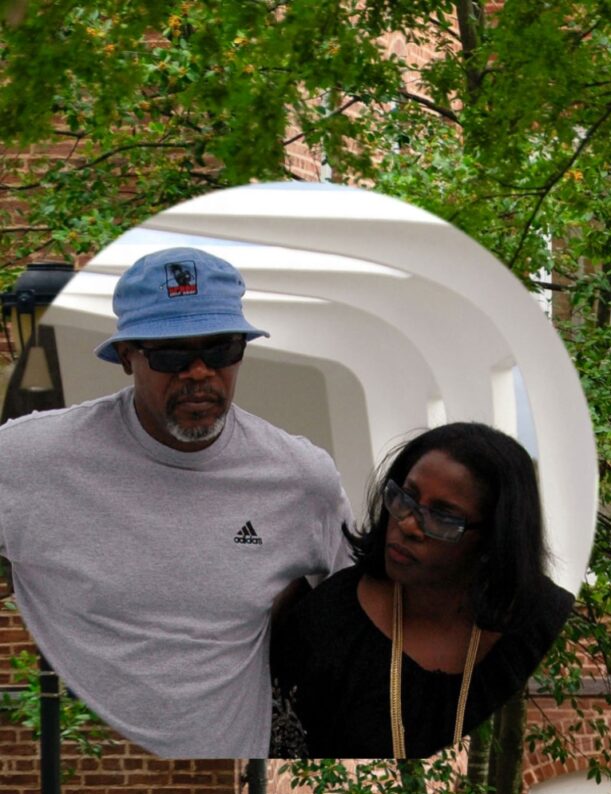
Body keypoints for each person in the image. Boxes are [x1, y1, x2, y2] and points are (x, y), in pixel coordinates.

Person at [0, 247, 353, 756]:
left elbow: (357, 624)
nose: (197, 372)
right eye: (170, 354)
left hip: (227, 778)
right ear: (127, 357)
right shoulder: (26, 458)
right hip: (77, 775)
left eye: (221, 349)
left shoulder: (301, 479)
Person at [269, 422, 574, 758]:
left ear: (494, 537)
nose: (408, 524)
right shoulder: (323, 624)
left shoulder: (548, 624)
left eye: (442, 516)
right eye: (405, 498)